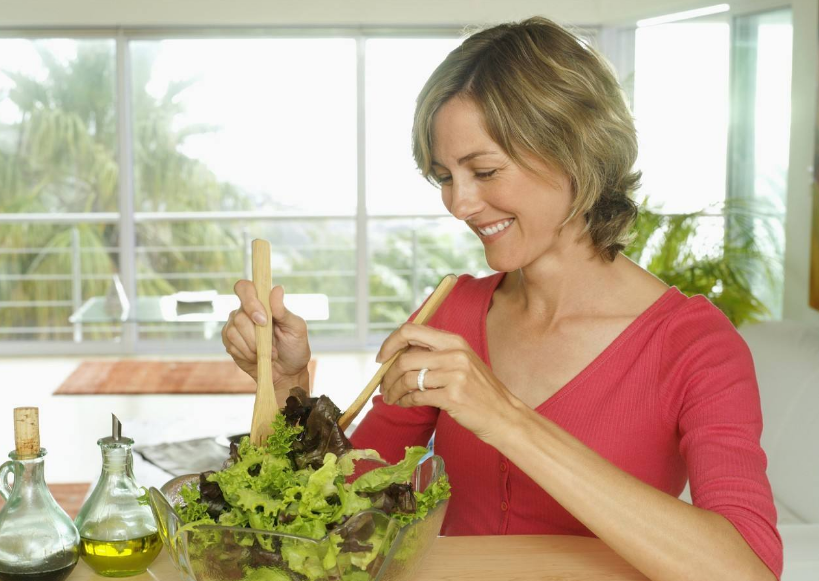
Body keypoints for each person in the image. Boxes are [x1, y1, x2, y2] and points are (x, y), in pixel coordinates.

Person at [221, 17, 782, 581]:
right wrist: (288, 385)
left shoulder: (694, 345)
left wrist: (504, 417)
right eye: (444, 176)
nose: (460, 205)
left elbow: (748, 571)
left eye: (485, 170)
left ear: (576, 151)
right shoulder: (451, 313)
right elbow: (329, 512)